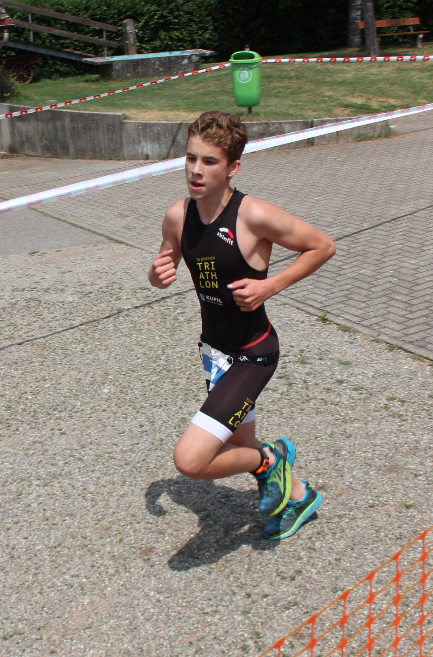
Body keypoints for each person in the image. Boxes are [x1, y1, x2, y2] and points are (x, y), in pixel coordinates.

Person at [148, 111, 336, 540]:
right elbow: (162, 266)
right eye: (191, 158)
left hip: (253, 355)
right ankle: (300, 496)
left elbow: (322, 246)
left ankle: (271, 461)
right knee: (238, 444)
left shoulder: (253, 215)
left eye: (209, 161)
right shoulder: (178, 216)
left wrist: (269, 286)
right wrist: (156, 275)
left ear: (233, 167)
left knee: (191, 460)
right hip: (214, 353)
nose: (196, 170)